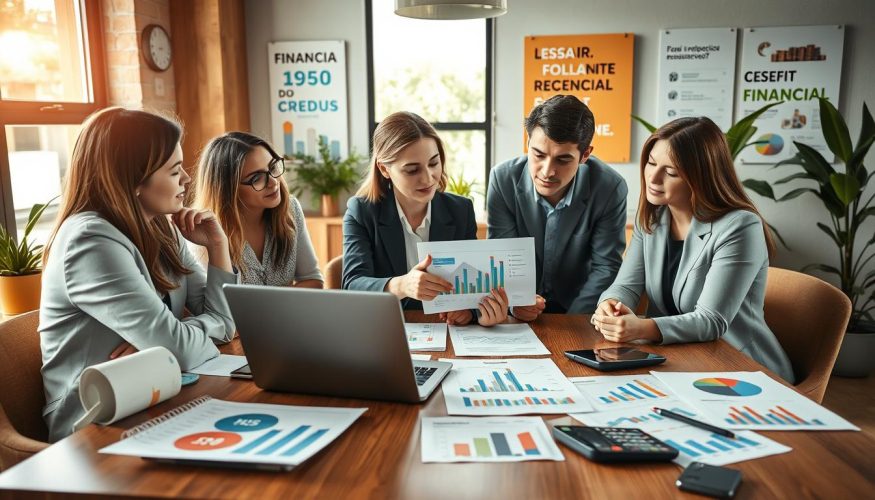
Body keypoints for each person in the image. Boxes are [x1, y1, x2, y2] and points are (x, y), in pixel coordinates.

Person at [39, 108, 238, 441]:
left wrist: (219, 247)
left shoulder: (162, 226)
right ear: (132, 180)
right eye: (175, 171)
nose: (187, 180)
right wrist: (168, 341)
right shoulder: (89, 241)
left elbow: (226, 323)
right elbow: (185, 349)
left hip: (158, 390)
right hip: (95, 417)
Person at [592, 116, 794, 383]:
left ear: (701, 177)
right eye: (651, 163)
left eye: (672, 172)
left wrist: (643, 327)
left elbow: (711, 321)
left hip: (742, 369)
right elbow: (627, 287)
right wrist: (611, 306)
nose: (653, 177)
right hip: (680, 362)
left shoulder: (740, 226)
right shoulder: (651, 219)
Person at [343, 111, 508, 326]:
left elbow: (472, 286)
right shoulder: (362, 212)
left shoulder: (460, 210)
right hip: (385, 327)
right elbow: (352, 284)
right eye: (412, 170)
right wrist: (401, 285)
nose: (428, 178)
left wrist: (473, 313)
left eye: (433, 163)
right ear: (384, 169)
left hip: (446, 333)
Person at [487, 94, 627, 320]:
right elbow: (502, 257)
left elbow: (605, 268)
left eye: (562, 160)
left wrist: (571, 323)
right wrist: (516, 304)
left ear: (585, 155)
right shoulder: (502, 179)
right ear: (528, 143)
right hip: (520, 307)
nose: (547, 171)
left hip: (579, 308)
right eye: (538, 155)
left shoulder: (610, 187)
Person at [193, 132, 322, 287]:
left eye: (273, 167)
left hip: (288, 312)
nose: (273, 182)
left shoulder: (291, 209)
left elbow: (313, 280)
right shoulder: (204, 231)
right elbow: (215, 302)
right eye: (256, 178)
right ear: (228, 190)